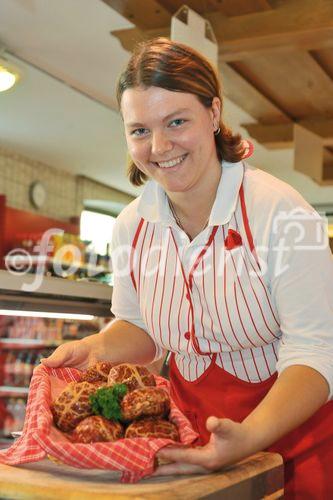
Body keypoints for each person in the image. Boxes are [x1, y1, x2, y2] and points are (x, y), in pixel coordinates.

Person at [42, 38, 333, 498]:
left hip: (296, 440)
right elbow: (140, 325)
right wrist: (97, 348)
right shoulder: (130, 227)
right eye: (139, 130)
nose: (159, 146)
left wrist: (250, 437)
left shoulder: (281, 213)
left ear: (213, 115)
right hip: (190, 436)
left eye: (177, 121)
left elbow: (317, 350)